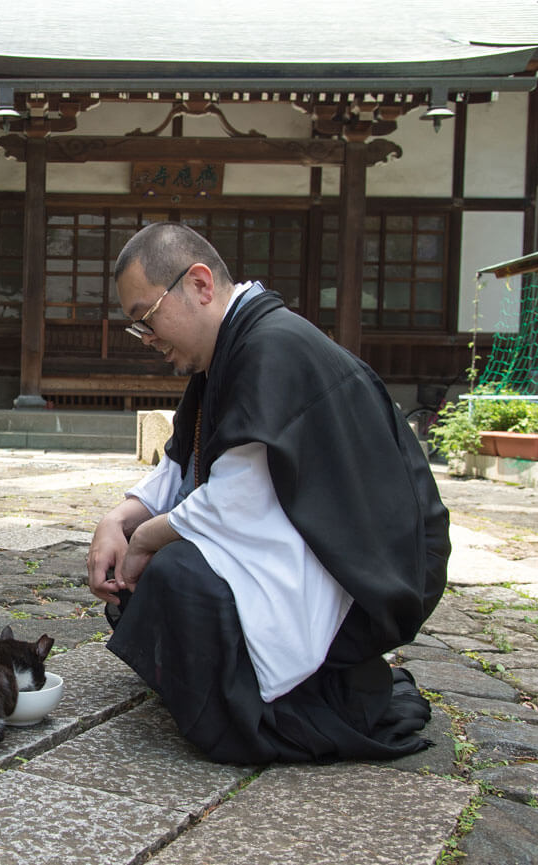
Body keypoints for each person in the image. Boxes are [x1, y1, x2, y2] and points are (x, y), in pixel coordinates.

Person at [87, 221, 450, 764]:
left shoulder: (274, 346)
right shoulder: (231, 350)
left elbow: (239, 498)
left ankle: (266, 705)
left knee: (177, 574)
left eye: (147, 319)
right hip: (296, 536)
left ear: (200, 285)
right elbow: (183, 463)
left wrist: (143, 541)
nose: (149, 340)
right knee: (152, 573)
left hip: (351, 566)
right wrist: (118, 519)